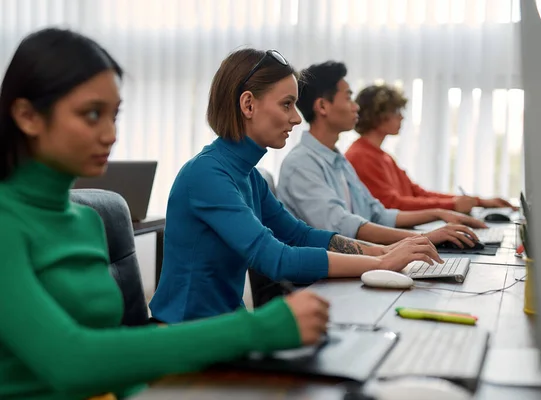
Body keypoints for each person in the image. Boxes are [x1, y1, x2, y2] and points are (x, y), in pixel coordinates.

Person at [0, 29, 331, 400]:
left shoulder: (86, 222)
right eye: (92, 115)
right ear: (27, 116)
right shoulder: (6, 224)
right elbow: (69, 361)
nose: (110, 134)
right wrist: (258, 329)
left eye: (114, 115)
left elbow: (113, 354)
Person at [149, 49, 441, 323]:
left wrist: (379, 252)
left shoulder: (249, 175)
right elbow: (276, 258)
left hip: (226, 326)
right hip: (186, 334)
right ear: (248, 104)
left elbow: (300, 235)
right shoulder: (207, 174)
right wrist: (382, 264)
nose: (296, 117)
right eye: (286, 104)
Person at [277, 61, 486, 247]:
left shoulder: (338, 160)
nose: (355, 106)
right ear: (322, 106)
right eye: (349, 98)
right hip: (319, 282)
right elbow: (343, 227)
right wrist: (424, 237)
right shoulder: (301, 164)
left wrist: (439, 214)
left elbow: (377, 213)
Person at [346, 84, 515, 213]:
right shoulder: (361, 156)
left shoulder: (383, 156)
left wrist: (478, 201)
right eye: (396, 110)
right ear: (376, 115)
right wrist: (453, 205)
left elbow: (417, 193)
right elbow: (392, 205)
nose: (401, 116)